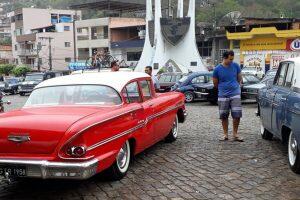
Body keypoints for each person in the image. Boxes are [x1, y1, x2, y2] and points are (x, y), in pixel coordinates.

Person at [213, 50, 243, 142]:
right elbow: (215, 83)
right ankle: (225, 134)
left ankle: (235, 134)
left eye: (232, 59)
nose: (232, 61)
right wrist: (224, 89)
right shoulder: (217, 69)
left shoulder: (236, 66)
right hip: (223, 95)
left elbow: (239, 78)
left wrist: (235, 87)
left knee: (237, 115)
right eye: (230, 59)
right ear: (225, 58)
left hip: (235, 93)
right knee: (223, 116)